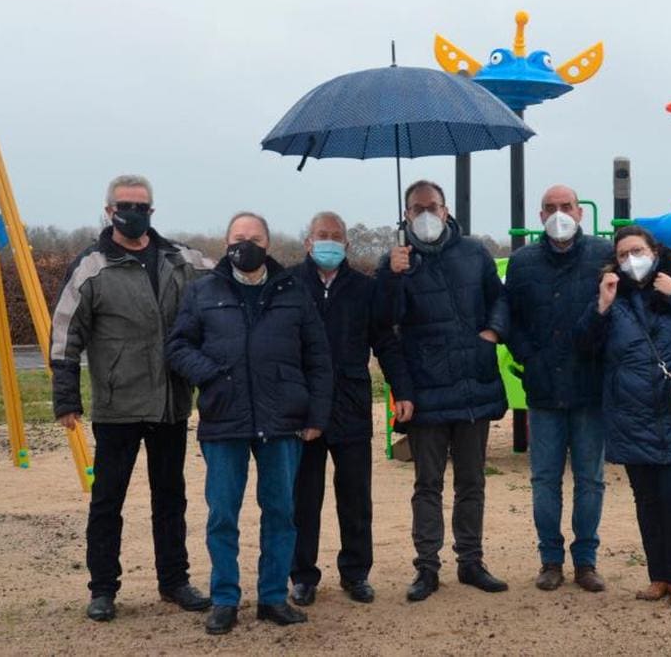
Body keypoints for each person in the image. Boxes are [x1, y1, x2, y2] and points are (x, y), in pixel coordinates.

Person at [50, 174, 213, 622]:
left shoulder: (182, 259)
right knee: (108, 500)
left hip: (170, 402)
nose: (134, 212)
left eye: (142, 206)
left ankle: (174, 581)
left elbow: (231, 278)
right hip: (118, 404)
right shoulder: (92, 266)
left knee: (171, 497)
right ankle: (103, 588)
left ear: (152, 212)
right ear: (109, 211)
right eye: (125, 205)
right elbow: (66, 334)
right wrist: (66, 398)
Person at [166, 211, 332, 635]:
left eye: (255, 237)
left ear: (268, 245)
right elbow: (178, 345)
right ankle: (225, 598)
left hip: (282, 421)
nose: (247, 244)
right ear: (226, 244)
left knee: (280, 512)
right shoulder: (202, 291)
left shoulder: (293, 292)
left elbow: (317, 356)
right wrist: (210, 375)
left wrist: (315, 414)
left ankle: (273, 597)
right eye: (239, 237)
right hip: (226, 420)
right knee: (223, 513)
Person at [573, 224, 671, 609]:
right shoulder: (613, 295)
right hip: (632, 414)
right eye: (623, 255)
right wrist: (602, 306)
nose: (631, 260)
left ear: (654, 251)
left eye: (637, 251)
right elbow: (584, 346)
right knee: (647, 500)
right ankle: (657, 576)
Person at [375, 179, 510, 602]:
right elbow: (384, 323)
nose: (427, 213)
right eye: (418, 208)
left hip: (473, 384)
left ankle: (471, 561)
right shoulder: (394, 262)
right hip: (426, 388)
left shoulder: (474, 252)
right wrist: (391, 277)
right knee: (427, 483)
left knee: (472, 481)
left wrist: (492, 332)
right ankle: (427, 568)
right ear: (406, 215)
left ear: (447, 209)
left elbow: (499, 299)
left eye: (433, 205)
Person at [288, 211, 410, 607]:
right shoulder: (289, 284)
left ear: (346, 244)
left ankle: (355, 572)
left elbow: (386, 341)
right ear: (308, 242)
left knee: (356, 496)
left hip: (352, 401)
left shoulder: (364, 288)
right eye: (321, 235)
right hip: (304, 406)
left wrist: (400, 388)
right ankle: (302, 575)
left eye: (336, 236)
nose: (328, 242)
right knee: (304, 496)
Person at [504, 185, 612, 593]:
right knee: (544, 480)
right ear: (539, 215)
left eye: (565, 206)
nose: (558, 214)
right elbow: (509, 315)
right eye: (549, 208)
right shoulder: (523, 261)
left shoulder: (604, 255)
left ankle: (586, 560)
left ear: (580, 212)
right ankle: (550, 560)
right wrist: (528, 355)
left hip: (589, 385)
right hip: (544, 389)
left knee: (591, 480)